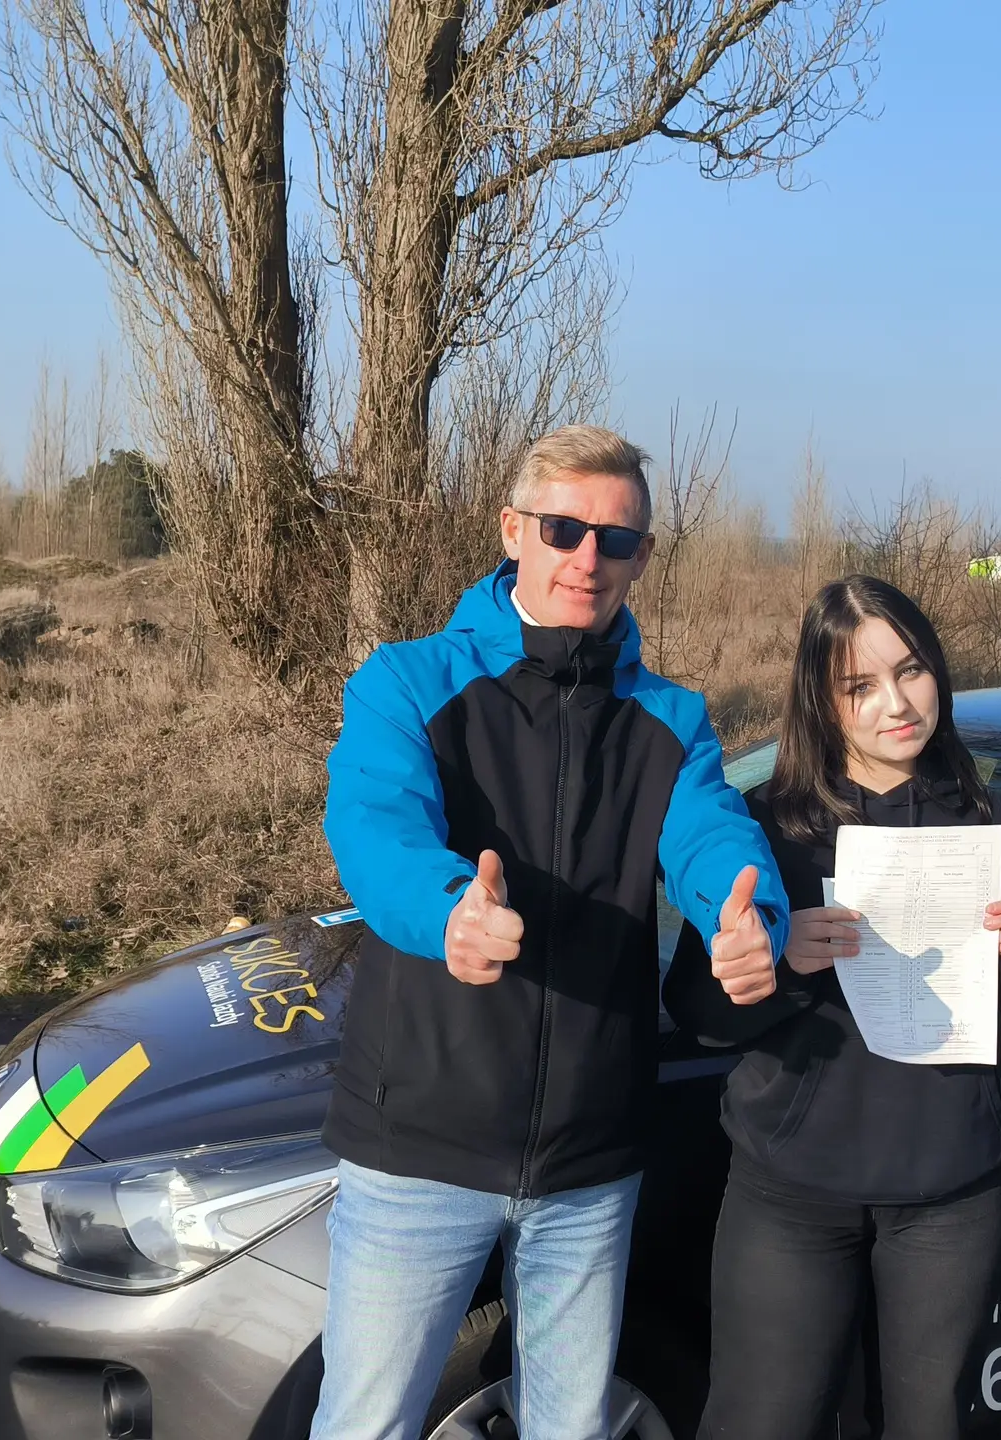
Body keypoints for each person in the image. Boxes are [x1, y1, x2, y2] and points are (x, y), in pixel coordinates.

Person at [314, 425, 792, 1440]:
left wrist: (748, 919)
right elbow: (375, 827)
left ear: (643, 557)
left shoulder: (672, 720)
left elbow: (714, 838)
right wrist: (448, 909)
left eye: (614, 539)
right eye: (563, 529)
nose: (586, 558)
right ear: (512, 531)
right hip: (420, 1148)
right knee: (365, 1425)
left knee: (571, 1430)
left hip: (589, 1161)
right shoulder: (407, 681)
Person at [666, 574, 1001, 1440]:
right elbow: (698, 1011)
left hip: (950, 1197)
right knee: (760, 1423)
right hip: (791, 1195)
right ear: (822, 702)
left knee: (925, 1424)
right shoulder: (769, 830)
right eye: (859, 685)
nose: (896, 703)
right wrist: (779, 964)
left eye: (911, 670)